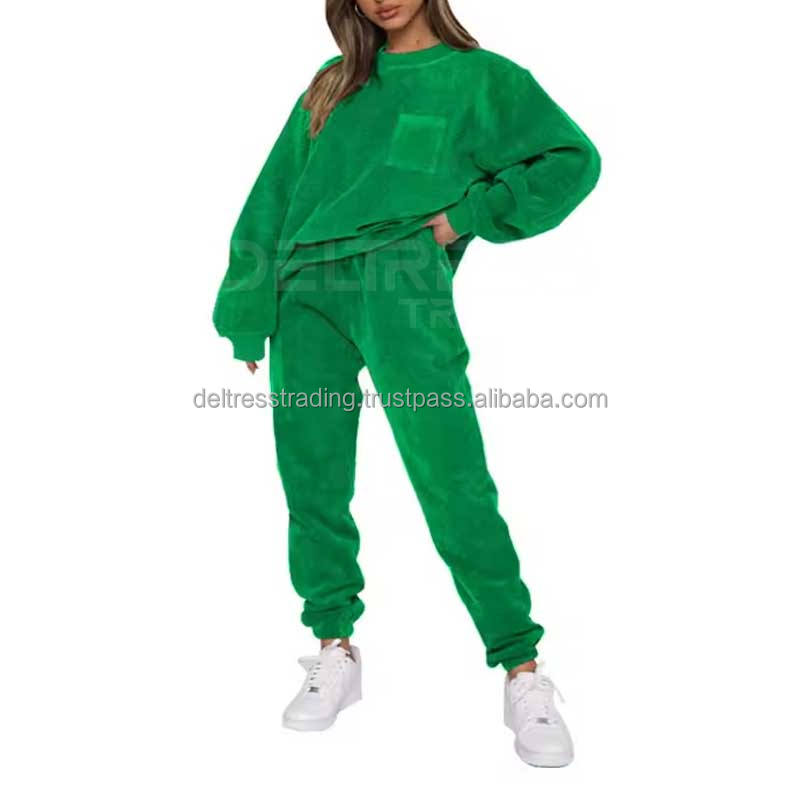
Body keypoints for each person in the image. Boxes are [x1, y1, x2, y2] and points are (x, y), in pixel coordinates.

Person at [212, 0, 600, 767]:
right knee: (312, 479)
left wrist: (467, 216)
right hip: (306, 292)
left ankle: (521, 666)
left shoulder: (482, 79)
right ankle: (334, 647)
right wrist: (246, 310)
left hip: (403, 284)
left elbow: (571, 160)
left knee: (452, 479)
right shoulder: (333, 82)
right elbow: (274, 195)